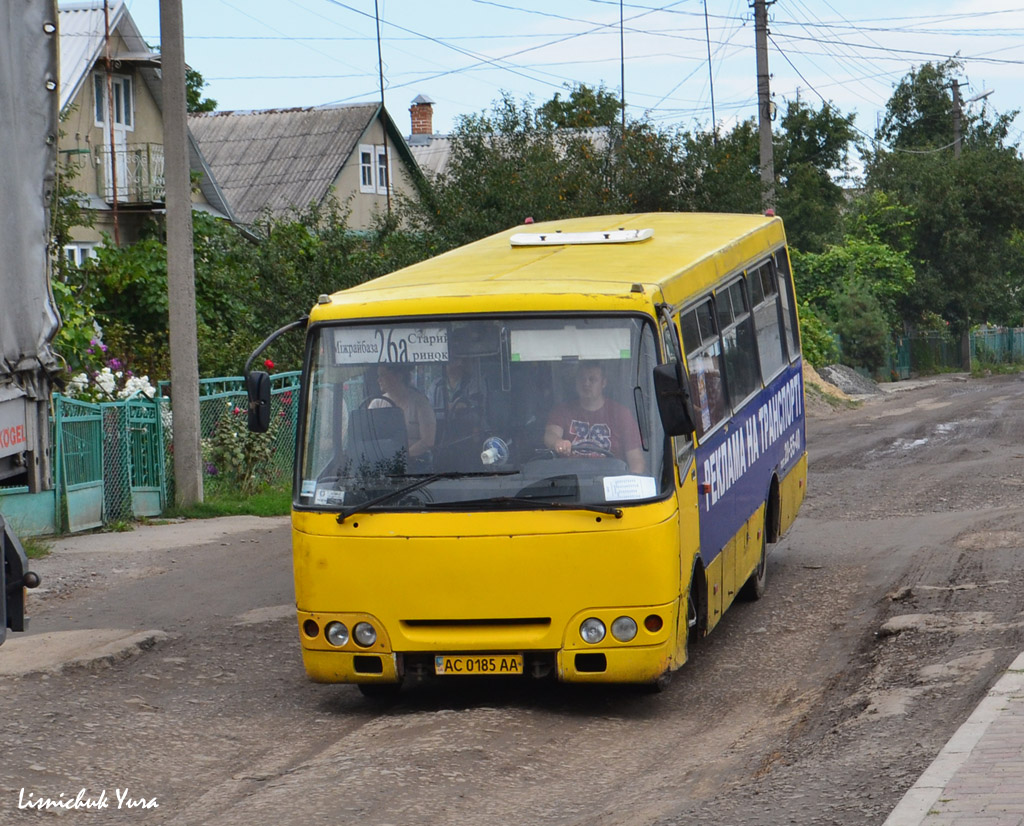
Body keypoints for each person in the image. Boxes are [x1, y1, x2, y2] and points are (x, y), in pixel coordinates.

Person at [544, 362, 645, 474]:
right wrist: (558, 442)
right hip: (571, 481)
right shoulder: (562, 410)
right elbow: (550, 434)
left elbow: (636, 460)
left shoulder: (621, 414)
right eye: (582, 379)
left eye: (592, 379)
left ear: (603, 383)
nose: (586, 383)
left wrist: (632, 484)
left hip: (609, 481)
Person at [370, 363, 436, 461]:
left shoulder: (420, 403)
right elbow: (368, 437)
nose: (378, 380)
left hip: (416, 463)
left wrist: (401, 457)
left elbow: (428, 441)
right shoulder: (376, 404)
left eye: (382, 375)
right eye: (378, 376)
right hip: (382, 463)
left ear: (399, 376)